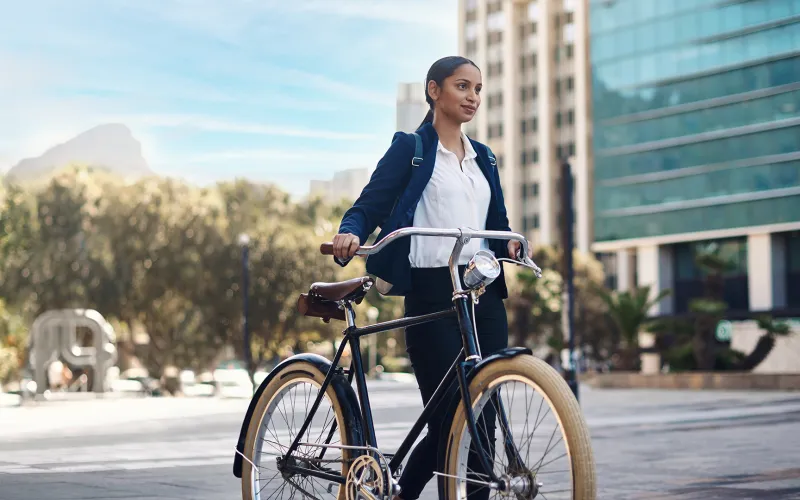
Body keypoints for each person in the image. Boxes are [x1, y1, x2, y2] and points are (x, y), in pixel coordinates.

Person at [331, 56, 533, 500]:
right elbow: (370, 203)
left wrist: (512, 246)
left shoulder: (486, 157)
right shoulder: (412, 147)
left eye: (478, 89)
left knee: (484, 419)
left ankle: (404, 493)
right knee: (449, 419)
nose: (473, 97)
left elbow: (496, 222)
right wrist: (350, 232)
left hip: (482, 292)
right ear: (433, 90)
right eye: (462, 86)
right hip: (431, 289)